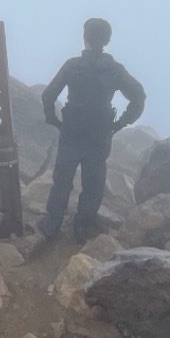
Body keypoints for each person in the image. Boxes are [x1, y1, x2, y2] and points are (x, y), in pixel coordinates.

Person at [29, 18, 145, 254]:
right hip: (100, 132)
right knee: (94, 181)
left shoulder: (72, 66)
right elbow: (139, 96)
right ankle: (81, 227)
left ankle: (51, 224)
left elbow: (48, 95)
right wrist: (121, 123)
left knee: (62, 178)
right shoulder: (115, 70)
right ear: (107, 40)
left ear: (85, 37)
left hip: (72, 130)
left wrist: (54, 120)